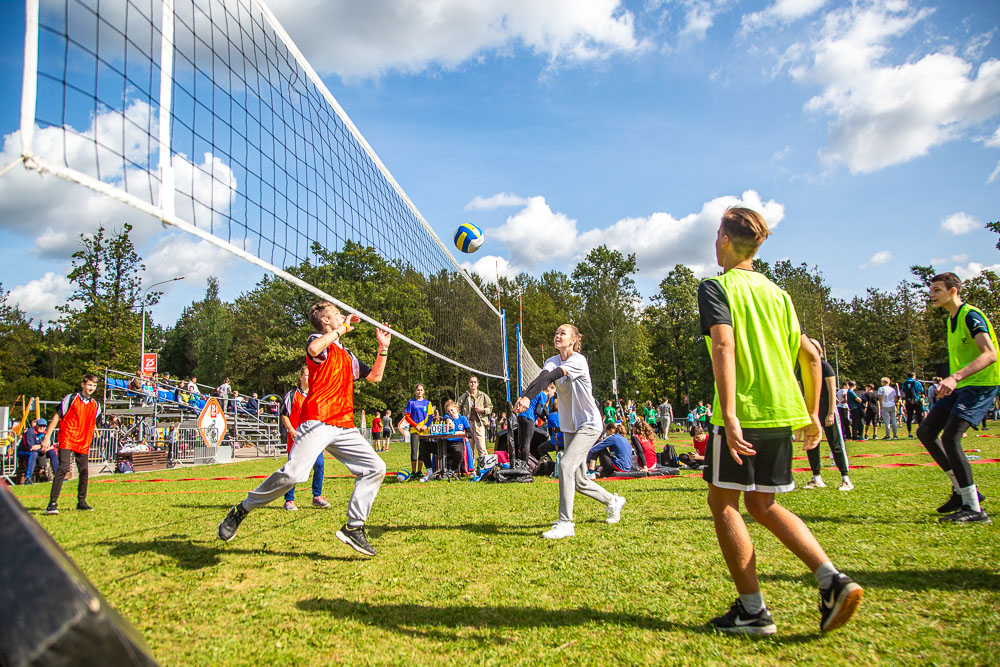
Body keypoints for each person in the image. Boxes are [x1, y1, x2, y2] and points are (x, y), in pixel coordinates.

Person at [697, 206, 861, 635]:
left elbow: (724, 347)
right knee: (763, 504)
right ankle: (832, 579)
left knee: (723, 503)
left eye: (717, 234)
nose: (715, 241)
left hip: (742, 412)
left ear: (727, 241)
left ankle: (753, 612)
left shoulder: (717, 287)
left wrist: (730, 414)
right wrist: (811, 412)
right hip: (781, 415)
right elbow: (811, 355)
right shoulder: (778, 294)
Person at [217, 302, 392, 557]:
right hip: (317, 420)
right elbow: (313, 348)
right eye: (336, 313)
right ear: (325, 322)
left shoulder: (348, 355)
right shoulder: (319, 340)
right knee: (294, 475)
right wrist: (344, 327)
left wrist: (383, 348)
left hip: (344, 424)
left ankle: (354, 527)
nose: (341, 315)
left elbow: (375, 377)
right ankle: (241, 509)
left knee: (376, 468)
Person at [513, 323, 625, 539]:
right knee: (580, 480)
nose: (557, 336)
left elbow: (551, 376)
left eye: (562, 333)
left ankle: (565, 523)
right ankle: (613, 501)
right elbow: (540, 380)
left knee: (564, 465)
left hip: (589, 423)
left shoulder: (577, 361)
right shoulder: (551, 360)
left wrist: (527, 398)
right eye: (556, 333)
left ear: (573, 340)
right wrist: (525, 396)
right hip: (570, 425)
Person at [916, 273, 998, 524]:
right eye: (931, 290)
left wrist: (955, 377)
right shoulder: (951, 320)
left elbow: (990, 354)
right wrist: (952, 381)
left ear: (953, 291)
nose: (932, 294)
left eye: (937, 290)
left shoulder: (971, 315)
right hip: (963, 385)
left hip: (981, 385)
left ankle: (974, 508)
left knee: (951, 437)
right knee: (926, 432)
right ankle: (960, 491)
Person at [44, 374, 103, 514]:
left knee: (84, 471)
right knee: (63, 468)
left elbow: (95, 421)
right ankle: (52, 503)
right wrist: (47, 437)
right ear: (83, 384)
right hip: (68, 437)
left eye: (94, 386)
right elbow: (57, 416)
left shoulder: (96, 405)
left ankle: (81, 502)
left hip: (83, 441)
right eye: (89, 385)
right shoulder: (71, 399)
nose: (91, 388)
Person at [804, 338, 853, 492]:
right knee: (812, 444)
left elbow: (832, 392)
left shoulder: (825, 367)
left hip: (827, 410)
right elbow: (800, 394)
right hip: (812, 413)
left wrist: (831, 413)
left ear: (818, 351)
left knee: (835, 443)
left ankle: (845, 479)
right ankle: (816, 478)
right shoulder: (802, 369)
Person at [280, 365, 330, 511]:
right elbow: (284, 415)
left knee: (319, 465)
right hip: (296, 439)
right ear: (301, 376)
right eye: (307, 375)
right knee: (294, 469)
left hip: (313, 439)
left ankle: (317, 496)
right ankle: (289, 500)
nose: (310, 378)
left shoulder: (316, 396)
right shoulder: (291, 395)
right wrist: (291, 429)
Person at [420, 400, 470, 477]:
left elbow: (470, 434)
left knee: (459, 454)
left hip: (456, 443)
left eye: (452, 410)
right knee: (424, 445)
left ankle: (451, 470)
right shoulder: (445, 419)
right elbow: (444, 419)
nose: (451, 412)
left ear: (456, 409)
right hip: (443, 443)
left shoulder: (463, 419)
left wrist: (459, 433)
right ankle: (429, 471)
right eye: (448, 411)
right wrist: (448, 420)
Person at [457, 375, 493, 467]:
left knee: (481, 447)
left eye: (474, 382)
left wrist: (483, 410)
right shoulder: (465, 396)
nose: (473, 384)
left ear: (478, 384)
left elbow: (490, 408)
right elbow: (457, 407)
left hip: (479, 424)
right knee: (469, 448)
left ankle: (485, 467)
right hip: (468, 425)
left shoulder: (483, 396)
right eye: (471, 382)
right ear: (468, 384)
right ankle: (470, 468)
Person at [404, 384, 434, 478]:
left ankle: (420, 471)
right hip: (414, 429)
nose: (419, 392)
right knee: (414, 449)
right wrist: (416, 425)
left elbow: (431, 417)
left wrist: (425, 426)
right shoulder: (411, 402)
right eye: (418, 390)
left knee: (423, 450)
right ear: (415, 391)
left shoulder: (427, 403)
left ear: (424, 391)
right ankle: (413, 471)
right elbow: (407, 417)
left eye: (421, 390)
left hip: (425, 430)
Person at [16, 418, 47, 484]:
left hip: (39, 450)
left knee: (52, 452)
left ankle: (57, 476)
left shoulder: (46, 432)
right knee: (34, 453)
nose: (42, 427)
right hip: (23, 451)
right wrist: (43, 446)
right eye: (40, 425)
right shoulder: (30, 432)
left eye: (44, 426)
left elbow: (50, 445)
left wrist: (41, 447)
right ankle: (28, 478)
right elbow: (31, 447)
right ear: (36, 425)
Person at [900, 372, 925, 439]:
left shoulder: (905, 383)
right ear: (914, 376)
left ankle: (910, 433)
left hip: (909, 402)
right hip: (917, 401)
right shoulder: (917, 382)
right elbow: (921, 391)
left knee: (909, 418)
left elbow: (904, 391)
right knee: (919, 417)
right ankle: (921, 433)